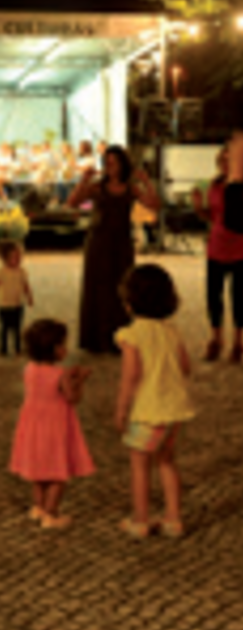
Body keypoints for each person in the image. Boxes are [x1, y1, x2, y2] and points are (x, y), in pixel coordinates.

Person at [115, 264, 195, 539]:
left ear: (129, 302)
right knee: (167, 461)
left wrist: (121, 409)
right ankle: (173, 519)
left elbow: (130, 376)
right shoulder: (172, 331)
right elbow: (185, 367)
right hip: (174, 411)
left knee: (140, 465)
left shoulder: (131, 335)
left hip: (147, 411)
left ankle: (140, 520)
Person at [68, 145, 160, 354]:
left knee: (121, 288)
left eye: (114, 162)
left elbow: (154, 205)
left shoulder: (130, 188)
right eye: (107, 162)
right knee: (98, 288)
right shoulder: (97, 187)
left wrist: (146, 182)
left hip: (121, 243)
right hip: (99, 242)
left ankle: (119, 337)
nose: (110, 166)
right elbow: (72, 202)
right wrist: (83, 180)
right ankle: (96, 339)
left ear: (122, 164)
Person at [9, 319, 95, 529]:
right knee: (57, 471)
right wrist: (80, 380)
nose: (66, 348)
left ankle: (38, 507)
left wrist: (70, 374)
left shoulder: (29, 369)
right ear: (54, 349)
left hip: (33, 424)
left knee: (38, 470)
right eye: (63, 344)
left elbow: (43, 386)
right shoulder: (59, 374)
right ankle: (51, 513)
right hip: (54, 426)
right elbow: (72, 398)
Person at [192, 146, 243, 362]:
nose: (224, 165)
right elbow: (212, 216)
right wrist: (198, 207)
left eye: (229, 161)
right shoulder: (213, 185)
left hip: (240, 249)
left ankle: (238, 342)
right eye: (222, 161)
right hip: (216, 248)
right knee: (213, 296)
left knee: (239, 297)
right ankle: (216, 339)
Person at [0, 240, 34, 356]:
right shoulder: (0, 272)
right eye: (15, 257)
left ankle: (17, 348)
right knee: (4, 328)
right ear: (6, 258)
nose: (19, 259)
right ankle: (3, 348)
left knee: (17, 327)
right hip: (4, 305)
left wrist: (29, 297)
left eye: (20, 257)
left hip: (18, 304)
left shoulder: (22, 271)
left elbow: (26, 285)